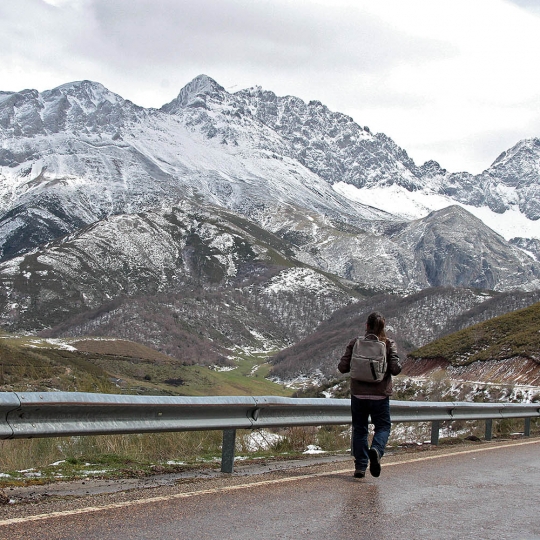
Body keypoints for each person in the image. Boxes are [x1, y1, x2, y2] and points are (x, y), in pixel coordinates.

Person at [338, 311, 402, 478]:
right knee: (383, 427)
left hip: (358, 395)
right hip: (380, 395)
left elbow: (342, 368)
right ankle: (376, 450)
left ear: (366, 326)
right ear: (383, 327)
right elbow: (395, 370)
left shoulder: (355, 343)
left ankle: (360, 467)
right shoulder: (388, 344)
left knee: (360, 430)